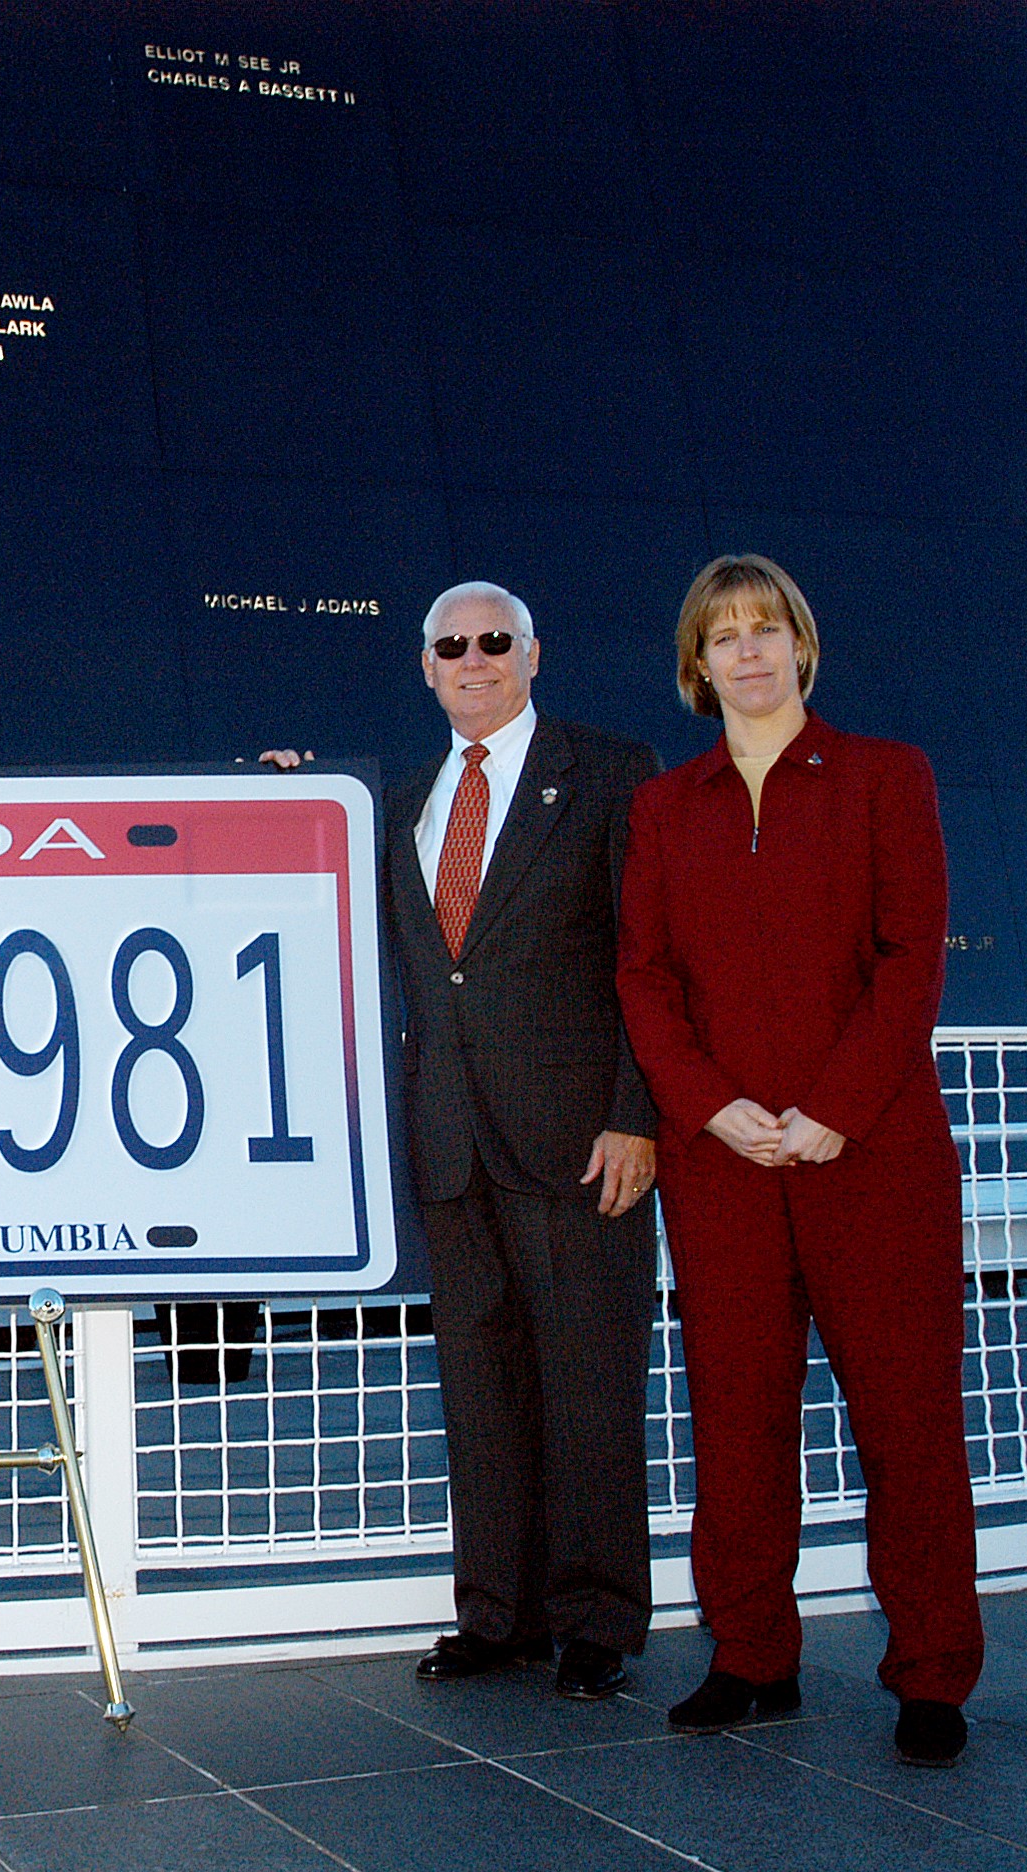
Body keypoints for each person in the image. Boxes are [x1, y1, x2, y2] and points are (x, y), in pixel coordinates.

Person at [616, 554, 982, 1767]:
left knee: (908, 1418)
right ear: (696, 664)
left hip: (871, 1156)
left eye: (768, 629)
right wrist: (712, 1109)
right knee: (737, 1418)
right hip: (721, 1163)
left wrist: (833, 1108)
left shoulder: (888, 775)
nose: (750, 652)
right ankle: (751, 1659)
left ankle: (931, 1673)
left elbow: (909, 958)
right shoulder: (666, 809)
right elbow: (645, 980)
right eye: (724, 637)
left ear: (802, 647)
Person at [272, 580, 661, 1700]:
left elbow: (648, 956)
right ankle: (500, 1615)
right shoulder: (398, 809)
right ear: (426, 666)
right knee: (481, 1397)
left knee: (589, 1388)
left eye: (497, 642)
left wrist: (638, 1113)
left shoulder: (609, 773)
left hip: (581, 1142)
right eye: (455, 646)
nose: (476, 660)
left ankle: (598, 1621)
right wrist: (293, 794)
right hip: (448, 1145)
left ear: (533, 656)